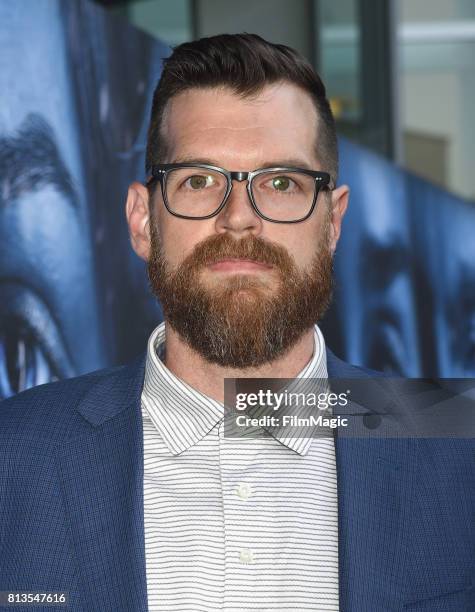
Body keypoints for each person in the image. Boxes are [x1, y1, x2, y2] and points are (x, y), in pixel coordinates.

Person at [0, 34, 473, 612]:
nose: (240, 218)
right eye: (199, 180)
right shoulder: (13, 453)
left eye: (281, 183)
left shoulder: (457, 446)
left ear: (333, 223)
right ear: (143, 221)